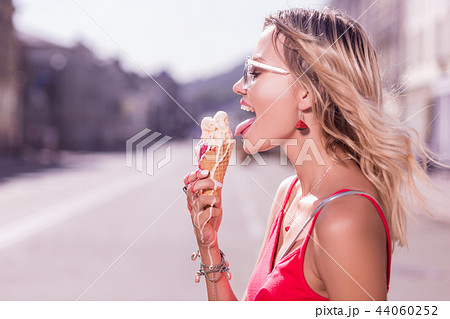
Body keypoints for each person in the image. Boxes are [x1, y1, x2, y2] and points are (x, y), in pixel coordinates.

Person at [183, 7, 440, 301]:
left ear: (306, 92)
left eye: (255, 72)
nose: (239, 86)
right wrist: (209, 246)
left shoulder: (344, 219)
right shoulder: (288, 194)